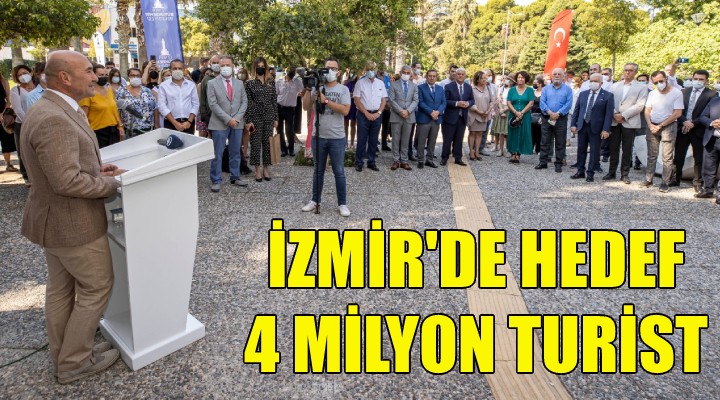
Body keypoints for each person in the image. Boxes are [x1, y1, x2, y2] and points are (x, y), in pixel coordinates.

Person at [21, 50, 124, 384]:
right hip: (72, 224)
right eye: (88, 71)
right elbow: (66, 181)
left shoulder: (53, 107)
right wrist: (109, 184)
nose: (95, 76)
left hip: (54, 222)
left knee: (61, 290)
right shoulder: (54, 117)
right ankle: (75, 362)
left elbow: (61, 166)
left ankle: (65, 354)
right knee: (97, 287)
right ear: (65, 77)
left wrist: (95, 170)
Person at [301, 57, 351, 217]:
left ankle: (342, 203)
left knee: (339, 171)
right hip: (319, 136)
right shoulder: (317, 87)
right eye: (327, 68)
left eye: (333, 68)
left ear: (339, 72)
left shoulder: (343, 89)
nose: (329, 71)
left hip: (337, 137)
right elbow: (305, 106)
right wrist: (308, 89)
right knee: (318, 171)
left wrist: (326, 100)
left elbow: (345, 110)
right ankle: (315, 200)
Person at [207, 55, 248, 192]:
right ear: (219, 67)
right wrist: (228, 119)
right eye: (222, 65)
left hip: (237, 123)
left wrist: (236, 118)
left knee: (235, 151)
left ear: (232, 66)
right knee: (217, 153)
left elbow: (244, 102)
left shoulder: (239, 83)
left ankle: (235, 176)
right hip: (219, 123)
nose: (225, 68)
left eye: (227, 65)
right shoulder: (212, 83)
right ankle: (216, 179)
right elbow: (213, 104)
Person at [641, 70, 684, 192]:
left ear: (666, 79)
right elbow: (647, 110)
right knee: (651, 154)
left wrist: (660, 125)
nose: (659, 84)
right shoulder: (652, 93)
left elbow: (677, 113)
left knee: (667, 156)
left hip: (668, 126)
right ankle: (648, 179)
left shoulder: (676, 93)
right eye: (656, 82)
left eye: (661, 81)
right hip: (652, 125)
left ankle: (665, 182)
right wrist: (650, 124)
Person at [673, 70, 717, 191]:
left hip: (699, 129)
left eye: (701, 79)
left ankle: (697, 182)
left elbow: (708, 113)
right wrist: (684, 121)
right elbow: (677, 109)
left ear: (706, 81)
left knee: (699, 158)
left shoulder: (712, 94)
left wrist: (693, 123)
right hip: (682, 128)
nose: (698, 81)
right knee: (678, 156)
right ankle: (675, 178)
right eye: (696, 79)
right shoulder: (683, 92)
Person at [606, 62, 648, 184]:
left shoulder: (641, 87)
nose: (627, 72)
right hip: (615, 121)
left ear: (635, 72)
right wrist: (614, 114)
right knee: (613, 148)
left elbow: (640, 105)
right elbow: (609, 101)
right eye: (626, 70)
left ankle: (624, 174)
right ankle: (611, 172)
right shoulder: (615, 86)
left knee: (627, 149)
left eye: (630, 70)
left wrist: (624, 115)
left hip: (629, 121)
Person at [570, 73, 614, 182]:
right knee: (581, 149)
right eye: (591, 81)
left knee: (594, 151)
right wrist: (573, 124)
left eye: (596, 81)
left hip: (596, 128)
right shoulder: (583, 94)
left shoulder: (608, 95)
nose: (593, 83)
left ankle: (590, 173)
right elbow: (577, 110)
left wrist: (606, 129)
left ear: (601, 83)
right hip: (582, 126)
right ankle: (580, 171)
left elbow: (608, 114)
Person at [245, 57, 278, 181]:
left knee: (267, 144)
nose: (261, 68)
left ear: (266, 67)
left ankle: (266, 169)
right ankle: (257, 170)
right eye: (258, 66)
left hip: (269, 115)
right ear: (255, 67)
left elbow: (274, 100)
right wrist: (248, 120)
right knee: (255, 144)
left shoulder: (271, 82)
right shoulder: (250, 83)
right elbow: (248, 103)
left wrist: (276, 118)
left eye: (263, 66)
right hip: (255, 117)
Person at [537, 68, 573, 173]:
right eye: (555, 74)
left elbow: (568, 104)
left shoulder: (568, 90)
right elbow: (542, 102)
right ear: (552, 76)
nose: (557, 76)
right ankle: (543, 162)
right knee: (544, 141)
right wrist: (550, 113)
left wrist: (558, 113)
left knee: (560, 142)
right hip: (547, 117)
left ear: (563, 76)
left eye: (559, 74)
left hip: (560, 118)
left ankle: (558, 164)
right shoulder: (546, 89)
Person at [353, 61, 387, 172]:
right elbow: (357, 100)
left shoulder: (380, 83)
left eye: (372, 70)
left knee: (374, 139)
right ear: (365, 71)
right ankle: (359, 162)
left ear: (376, 70)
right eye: (368, 70)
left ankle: (371, 162)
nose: (371, 72)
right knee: (361, 139)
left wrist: (378, 113)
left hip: (377, 115)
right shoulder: (360, 83)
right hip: (363, 115)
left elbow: (384, 100)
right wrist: (366, 113)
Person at [79, 64, 124, 148]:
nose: (104, 77)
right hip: (97, 132)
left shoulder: (110, 90)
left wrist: (120, 126)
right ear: (93, 76)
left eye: (106, 75)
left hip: (113, 131)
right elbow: (83, 117)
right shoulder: (88, 94)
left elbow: (114, 110)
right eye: (101, 75)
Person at [387, 65, 418, 170]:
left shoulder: (414, 86)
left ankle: (404, 160)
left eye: (408, 73)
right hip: (396, 115)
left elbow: (416, 100)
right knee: (395, 139)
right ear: (400, 73)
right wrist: (401, 111)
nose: (406, 74)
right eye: (404, 72)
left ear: (410, 74)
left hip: (409, 116)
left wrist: (408, 111)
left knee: (406, 139)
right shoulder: (393, 84)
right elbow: (391, 100)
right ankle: (396, 160)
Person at [441, 67, 474, 166]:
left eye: (462, 74)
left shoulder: (468, 87)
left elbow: (472, 100)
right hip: (450, 117)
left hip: (462, 117)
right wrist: (456, 103)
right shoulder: (448, 86)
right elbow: (445, 101)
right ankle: (444, 158)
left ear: (465, 76)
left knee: (459, 139)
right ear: (455, 75)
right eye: (458, 74)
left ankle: (458, 158)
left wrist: (468, 103)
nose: (460, 76)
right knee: (447, 139)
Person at [157, 59, 199, 134]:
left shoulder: (191, 85)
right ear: (170, 70)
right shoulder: (163, 86)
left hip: (188, 123)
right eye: (174, 68)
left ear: (184, 70)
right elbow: (162, 106)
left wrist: (189, 121)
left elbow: (196, 104)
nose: (177, 70)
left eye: (180, 68)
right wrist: (175, 123)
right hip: (170, 123)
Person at [10, 64, 35, 184]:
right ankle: (27, 176)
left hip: (40, 123)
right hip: (22, 125)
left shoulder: (40, 88)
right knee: (23, 151)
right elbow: (18, 110)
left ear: (31, 73)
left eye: (24, 73)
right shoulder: (16, 91)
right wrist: (29, 123)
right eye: (19, 75)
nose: (22, 76)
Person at [416, 69, 446, 169]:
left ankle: (429, 159)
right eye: (430, 76)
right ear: (426, 77)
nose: (432, 78)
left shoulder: (440, 88)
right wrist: (431, 112)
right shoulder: (420, 88)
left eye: (434, 76)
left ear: (436, 77)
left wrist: (438, 112)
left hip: (436, 118)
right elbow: (420, 102)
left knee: (432, 141)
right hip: (424, 118)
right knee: (421, 141)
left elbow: (443, 102)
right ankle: (420, 160)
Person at [115, 68, 158, 136]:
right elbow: (117, 111)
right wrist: (120, 125)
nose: (135, 77)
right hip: (130, 131)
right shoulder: (122, 92)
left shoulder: (148, 91)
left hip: (148, 129)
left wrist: (156, 125)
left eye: (138, 75)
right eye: (132, 75)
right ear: (128, 76)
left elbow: (155, 108)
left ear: (141, 77)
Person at [695, 96, 720, 203]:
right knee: (708, 167)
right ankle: (708, 190)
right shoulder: (714, 100)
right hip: (711, 139)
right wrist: (711, 123)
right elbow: (703, 116)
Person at [506, 71, 535, 164]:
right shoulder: (512, 90)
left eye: (522, 77)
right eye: (519, 77)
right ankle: (512, 153)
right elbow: (508, 102)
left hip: (525, 115)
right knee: (513, 133)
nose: (520, 79)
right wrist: (515, 112)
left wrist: (521, 113)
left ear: (526, 79)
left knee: (522, 133)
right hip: (513, 114)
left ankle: (518, 154)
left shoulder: (530, 90)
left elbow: (531, 103)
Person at [276, 66, 304, 157]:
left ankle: (291, 149)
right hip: (279, 107)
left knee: (289, 130)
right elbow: (276, 94)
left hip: (290, 109)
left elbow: (303, 90)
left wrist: (300, 92)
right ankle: (283, 149)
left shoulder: (297, 82)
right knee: (279, 130)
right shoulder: (279, 81)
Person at [467, 71, 494, 161]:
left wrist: (488, 111)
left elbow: (492, 101)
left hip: (485, 115)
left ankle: (477, 151)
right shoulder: (472, 89)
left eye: (485, 78)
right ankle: (471, 151)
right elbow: (470, 102)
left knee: (480, 133)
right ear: (477, 79)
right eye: (482, 78)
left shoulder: (488, 88)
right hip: (474, 114)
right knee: (472, 133)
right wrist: (478, 111)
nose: (485, 80)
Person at [198, 55, 221, 137]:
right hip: (210, 115)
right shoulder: (206, 79)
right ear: (210, 64)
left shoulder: (226, 78)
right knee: (213, 138)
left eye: (218, 62)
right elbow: (202, 97)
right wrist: (204, 115)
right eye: (214, 63)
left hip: (225, 114)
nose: (216, 64)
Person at [491, 74, 512, 157]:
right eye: (504, 79)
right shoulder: (501, 89)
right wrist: (501, 110)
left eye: (506, 79)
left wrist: (504, 110)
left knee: (507, 132)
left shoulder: (513, 90)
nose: (505, 81)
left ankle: (507, 149)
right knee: (501, 132)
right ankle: (501, 149)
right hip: (501, 110)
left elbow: (512, 102)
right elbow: (499, 100)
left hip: (509, 110)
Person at [0, 70, 17, 172]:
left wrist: (3, 113)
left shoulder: (3, 81)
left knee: (6, 139)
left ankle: (8, 164)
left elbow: (8, 100)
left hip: (3, 113)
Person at [343, 71, 359, 149]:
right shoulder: (346, 82)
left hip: (354, 105)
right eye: (351, 72)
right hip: (346, 104)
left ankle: (352, 143)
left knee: (353, 125)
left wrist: (353, 95)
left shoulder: (358, 83)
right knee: (345, 125)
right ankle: (345, 142)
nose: (353, 74)